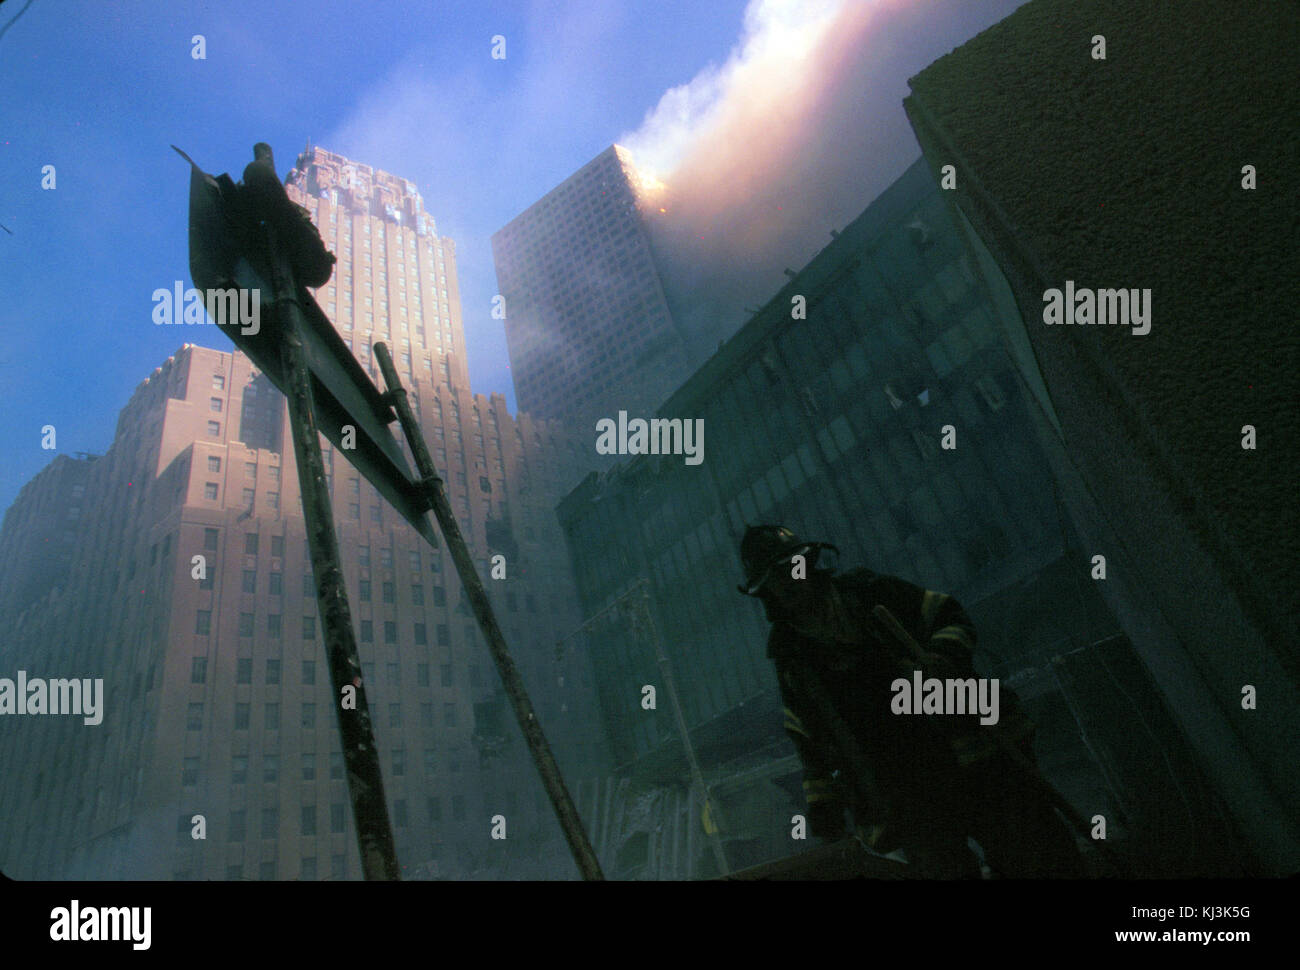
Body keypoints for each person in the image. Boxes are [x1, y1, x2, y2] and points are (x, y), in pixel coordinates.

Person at [738, 524, 1086, 878]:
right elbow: (808, 734)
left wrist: (941, 656)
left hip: (976, 758)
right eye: (775, 579)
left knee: (1039, 860)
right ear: (766, 592)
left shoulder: (871, 596)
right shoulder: (792, 659)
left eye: (791, 568)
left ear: (809, 564)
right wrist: (823, 804)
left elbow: (950, 616)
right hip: (909, 794)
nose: (788, 582)